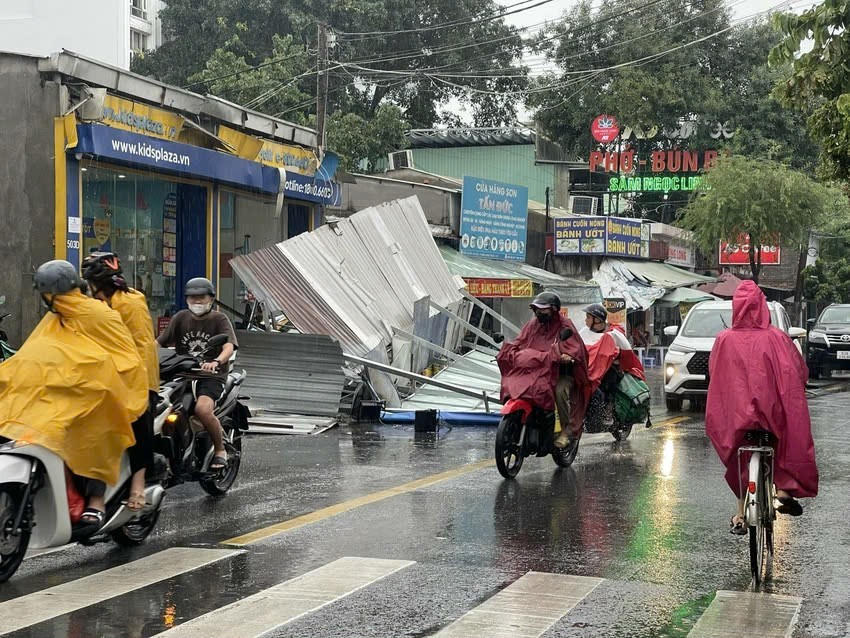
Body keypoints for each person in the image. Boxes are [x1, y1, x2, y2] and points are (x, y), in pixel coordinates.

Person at [0, 260, 147, 530]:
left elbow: (126, 357)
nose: (47, 299)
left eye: (48, 293)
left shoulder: (100, 315)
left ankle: (96, 500)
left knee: (93, 430)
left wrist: (96, 376)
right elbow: (37, 354)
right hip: (66, 392)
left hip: (100, 394)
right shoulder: (54, 319)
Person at [706, 281, 818, 534]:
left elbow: (715, 374)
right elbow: (796, 372)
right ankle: (784, 489)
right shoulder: (777, 337)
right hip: (771, 415)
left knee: (738, 456)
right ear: (761, 306)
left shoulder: (723, 339)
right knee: (787, 438)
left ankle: (739, 514)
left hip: (736, 419)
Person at [82, 252, 159, 512]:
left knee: (138, 426)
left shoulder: (131, 303)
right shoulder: (91, 304)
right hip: (103, 377)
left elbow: (139, 346)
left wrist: (127, 378)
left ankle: (137, 483)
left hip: (137, 377)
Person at [157, 277, 237, 471]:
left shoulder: (219, 319)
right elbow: (159, 342)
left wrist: (216, 361)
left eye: (201, 298)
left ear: (211, 299)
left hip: (211, 376)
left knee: (202, 409)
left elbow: (228, 346)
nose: (197, 302)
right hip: (183, 374)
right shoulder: (180, 318)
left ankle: (220, 450)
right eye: (193, 298)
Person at [496, 292, 590, 451]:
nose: (539, 314)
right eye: (536, 310)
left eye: (543, 311)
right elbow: (520, 342)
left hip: (560, 372)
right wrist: (509, 350)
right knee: (516, 384)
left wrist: (566, 356)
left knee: (559, 391)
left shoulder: (565, 326)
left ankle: (566, 431)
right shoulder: (532, 325)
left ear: (554, 310)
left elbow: (575, 348)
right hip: (537, 371)